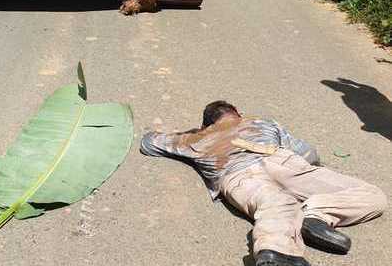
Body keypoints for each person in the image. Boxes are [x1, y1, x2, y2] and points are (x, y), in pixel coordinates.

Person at [141, 101, 387, 266]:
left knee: (275, 204)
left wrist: (194, 134)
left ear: (207, 122)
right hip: (279, 159)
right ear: (237, 112)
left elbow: (149, 142)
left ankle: (276, 249)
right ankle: (317, 213)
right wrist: (309, 176)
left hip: (236, 175)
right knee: (372, 195)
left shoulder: (194, 138)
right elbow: (307, 152)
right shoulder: (260, 122)